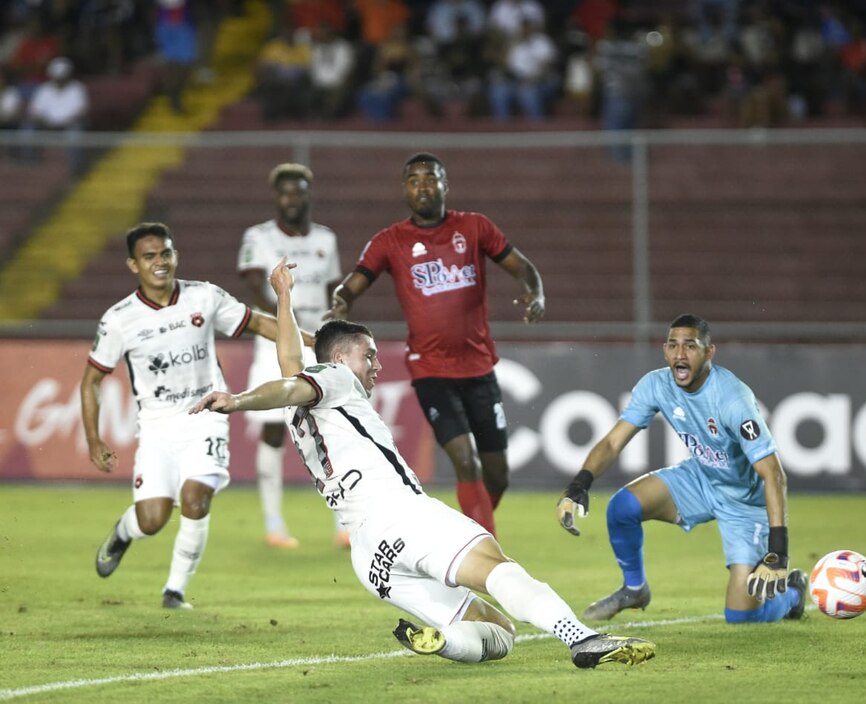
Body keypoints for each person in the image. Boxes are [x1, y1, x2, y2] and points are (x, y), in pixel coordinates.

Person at [188, 258, 656, 668]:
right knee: (499, 568)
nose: (376, 365)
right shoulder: (335, 378)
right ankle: (584, 639)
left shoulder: (308, 399)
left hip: (369, 555)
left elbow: (290, 372)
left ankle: (444, 640)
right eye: (368, 355)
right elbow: (291, 382)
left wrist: (284, 298)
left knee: (500, 633)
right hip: (401, 514)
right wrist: (239, 400)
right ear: (337, 359)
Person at [81, 222, 309, 609]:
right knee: (152, 520)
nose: (160, 262)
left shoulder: (203, 296)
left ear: (176, 255)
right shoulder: (119, 319)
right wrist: (94, 439)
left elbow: (254, 321)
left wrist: (309, 339)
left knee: (195, 496)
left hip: (206, 414)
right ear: (133, 265)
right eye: (149, 256)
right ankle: (124, 532)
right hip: (156, 427)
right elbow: (91, 382)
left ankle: (174, 590)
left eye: (166, 253)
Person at [324, 152, 545, 537]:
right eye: (414, 179)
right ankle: (485, 552)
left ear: (445, 185)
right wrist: (342, 303)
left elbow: (522, 267)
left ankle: (464, 533)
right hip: (430, 370)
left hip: (479, 369)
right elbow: (354, 282)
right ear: (404, 188)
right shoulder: (391, 240)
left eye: (431, 178)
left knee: (498, 475)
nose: (423, 185)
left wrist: (535, 293)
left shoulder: (474, 228)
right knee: (466, 462)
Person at [556, 314, 808, 624]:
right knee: (622, 507)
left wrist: (778, 552)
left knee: (741, 616)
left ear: (709, 352)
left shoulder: (732, 398)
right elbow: (612, 443)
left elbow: (774, 474)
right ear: (664, 351)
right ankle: (635, 588)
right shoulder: (657, 385)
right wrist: (579, 485)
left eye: (690, 346)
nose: (680, 354)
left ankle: (794, 593)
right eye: (673, 346)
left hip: (744, 500)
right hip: (701, 478)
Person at [237, 163, 343, 549]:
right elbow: (253, 286)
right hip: (275, 342)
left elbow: (335, 291)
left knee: (332, 427)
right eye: (284, 193)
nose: (291, 199)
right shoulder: (258, 237)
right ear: (276, 197)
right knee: (273, 429)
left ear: (307, 195)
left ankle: (345, 524)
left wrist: (334, 328)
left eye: (298, 192)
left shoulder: (326, 239)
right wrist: (288, 326)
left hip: (320, 342)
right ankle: (274, 524)